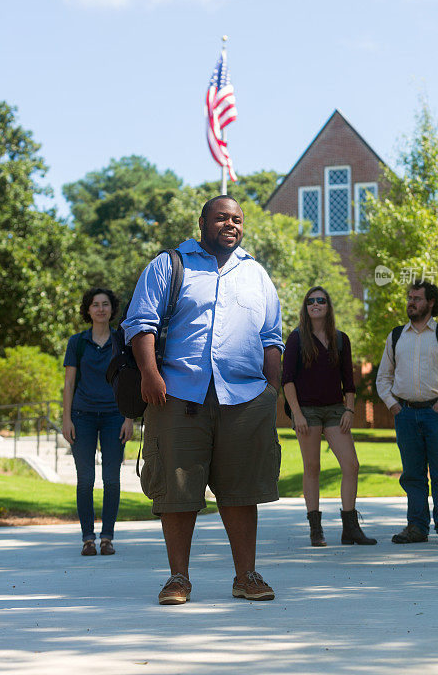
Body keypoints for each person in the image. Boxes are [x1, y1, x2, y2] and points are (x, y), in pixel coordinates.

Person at [122, 195, 283, 605]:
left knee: (242, 492)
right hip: (177, 395)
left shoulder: (256, 274)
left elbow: (271, 337)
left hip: (245, 400)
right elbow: (140, 322)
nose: (230, 225)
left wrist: (271, 390)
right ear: (202, 223)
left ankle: (246, 576)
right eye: (221, 218)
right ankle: (178, 578)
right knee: (177, 493)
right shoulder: (169, 264)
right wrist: (150, 374)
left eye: (237, 219)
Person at [376, 280, 438, 545]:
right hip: (405, 414)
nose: (411, 302)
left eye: (417, 298)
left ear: (430, 303)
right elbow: (383, 377)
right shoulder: (396, 336)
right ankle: (416, 527)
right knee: (412, 475)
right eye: (409, 297)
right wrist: (392, 405)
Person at [282, 286, 376, 547]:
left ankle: (350, 529)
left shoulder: (341, 339)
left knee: (351, 465)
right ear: (306, 307)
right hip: (307, 412)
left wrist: (349, 409)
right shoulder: (297, 338)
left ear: (328, 306)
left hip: (336, 409)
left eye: (321, 300)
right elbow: (287, 380)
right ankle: (316, 529)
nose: (315, 304)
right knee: (312, 468)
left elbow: (349, 380)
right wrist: (297, 414)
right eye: (310, 301)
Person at [62, 288, 134, 556]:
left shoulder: (121, 341)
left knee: (112, 480)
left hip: (115, 416)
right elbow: (69, 383)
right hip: (82, 417)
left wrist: (129, 418)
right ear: (88, 310)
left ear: (112, 309)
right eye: (95, 305)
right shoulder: (77, 342)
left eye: (105, 304)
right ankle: (87, 538)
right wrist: (66, 418)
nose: (101, 309)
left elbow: (129, 382)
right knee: (85, 480)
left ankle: (107, 537)